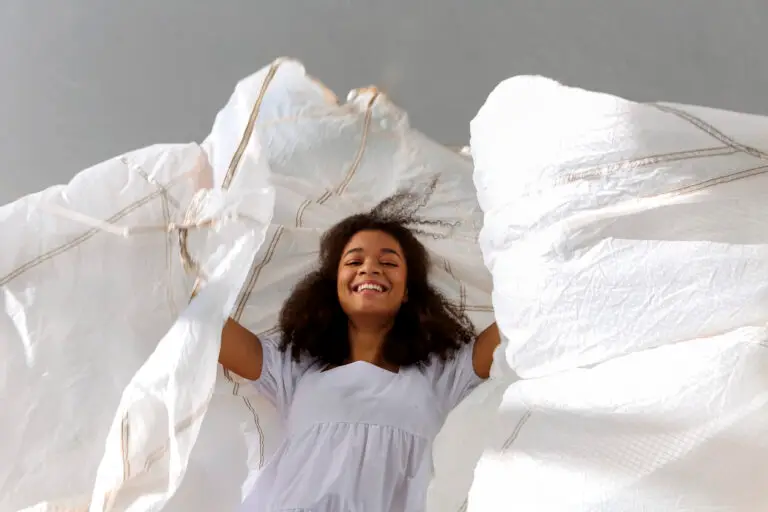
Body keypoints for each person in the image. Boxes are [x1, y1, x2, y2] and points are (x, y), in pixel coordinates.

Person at [219, 210, 500, 511]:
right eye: (354, 261)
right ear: (335, 286)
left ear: (406, 291)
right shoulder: (295, 368)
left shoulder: (440, 375)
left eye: (389, 262)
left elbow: (520, 319)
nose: (370, 269)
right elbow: (203, 325)